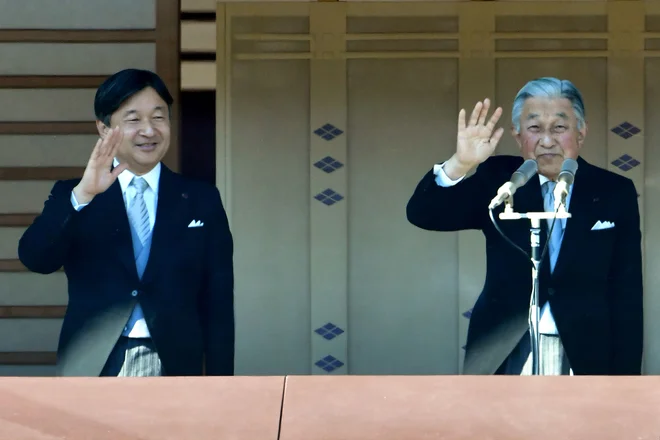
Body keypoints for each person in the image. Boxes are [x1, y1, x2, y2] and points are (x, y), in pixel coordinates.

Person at [406, 77, 643, 375]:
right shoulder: (501, 179)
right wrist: (460, 163)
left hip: (587, 351)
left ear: (581, 132)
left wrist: (626, 380)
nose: (547, 140)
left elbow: (627, 292)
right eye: (534, 128)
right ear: (518, 136)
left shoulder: (613, 191)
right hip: (506, 348)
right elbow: (424, 214)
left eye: (559, 127)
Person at [18, 69, 235, 377]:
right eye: (133, 120)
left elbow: (218, 302)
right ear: (104, 128)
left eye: (158, 117)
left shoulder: (201, 198)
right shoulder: (74, 194)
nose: (149, 130)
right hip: (94, 362)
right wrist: (84, 195)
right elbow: (35, 258)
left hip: (175, 363)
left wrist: (221, 382)